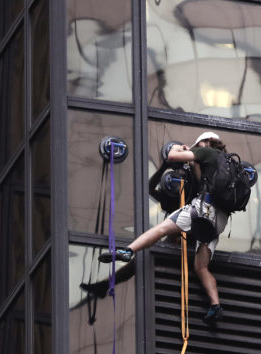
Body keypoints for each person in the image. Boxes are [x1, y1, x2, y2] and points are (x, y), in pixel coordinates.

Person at [98, 131, 229, 324]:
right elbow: (203, 181)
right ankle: (215, 306)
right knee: (201, 267)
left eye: (198, 143)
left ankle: (128, 251)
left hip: (203, 210)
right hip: (220, 220)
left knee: (162, 229)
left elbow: (172, 156)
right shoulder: (227, 163)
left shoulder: (206, 152)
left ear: (206, 142)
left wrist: (182, 149)